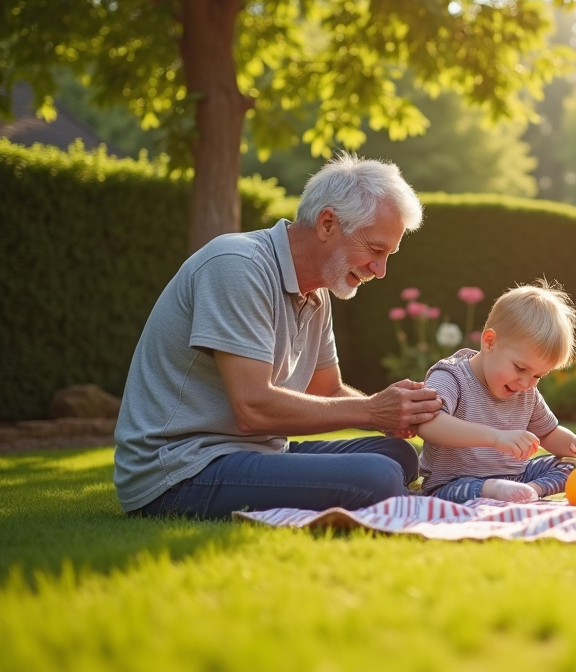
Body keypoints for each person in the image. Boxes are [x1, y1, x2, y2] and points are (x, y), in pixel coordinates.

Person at [114, 154, 444, 519]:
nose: (380, 271)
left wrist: (393, 416)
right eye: (375, 250)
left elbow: (328, 391)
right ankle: (411, 501)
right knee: (376, 476)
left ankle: (397, 493)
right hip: (180, 472)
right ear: (328, 223)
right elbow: (252, 407)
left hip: (254, 453)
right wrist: (372, 408)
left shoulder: (317, 293)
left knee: (398, 456)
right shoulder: (238, 265)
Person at [417, 281, 576, 503]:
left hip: (517, 477)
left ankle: (531, 490)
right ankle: (495, 490)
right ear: (490, 342)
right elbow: (428, 423)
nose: (526, 383)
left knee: (571, 465)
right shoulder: (452, 376)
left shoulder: (525, 393)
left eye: (538, 376)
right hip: (453, 482)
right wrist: (494, 438)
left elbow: (547, 433)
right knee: (453, 490)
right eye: (520, 368)